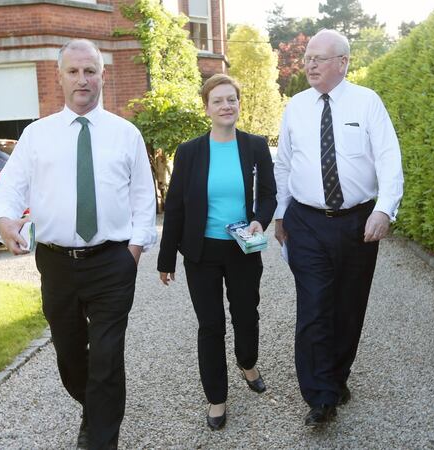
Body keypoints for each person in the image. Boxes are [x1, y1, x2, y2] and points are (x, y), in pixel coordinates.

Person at [0, 39, 156, 449]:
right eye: (74, 71)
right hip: (57, 264)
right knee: (69, 354)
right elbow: (10, 190)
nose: (83, 79)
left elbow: (142, 198)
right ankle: (94, 407)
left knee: (106, 354)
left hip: (112, 262)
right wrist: (5, 221)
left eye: (90, 71)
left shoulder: (126, 134)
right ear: (59, 77)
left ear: (103, 75)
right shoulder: (36, 135)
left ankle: (100, 438)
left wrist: (132, 252)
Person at [273, 29, 404, 427]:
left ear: (343, 62)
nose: (309, 65)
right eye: (308, 58)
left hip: (357, 222)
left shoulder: (367, 103)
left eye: (319, 58)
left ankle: (336, 377)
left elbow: (388, 158)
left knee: (348, 307)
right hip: (307, 222)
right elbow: (284, 164)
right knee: (313, 308)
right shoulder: (295, 106)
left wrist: (384, 210)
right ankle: (320, 397)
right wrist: (280, 213)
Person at [157, 74, 276, 431]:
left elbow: (269, 193)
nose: (226, 106)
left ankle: (247, 362)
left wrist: (260, 220)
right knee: (210, 326)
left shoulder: (255, 146)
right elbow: (175, 205)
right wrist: (165, 259)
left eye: (232, 100)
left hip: (243, 248)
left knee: (245, 314)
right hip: (201, 252)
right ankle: (217, 398)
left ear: (239, 104)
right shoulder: (190, 151)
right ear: (206, 108)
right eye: (218, 101)